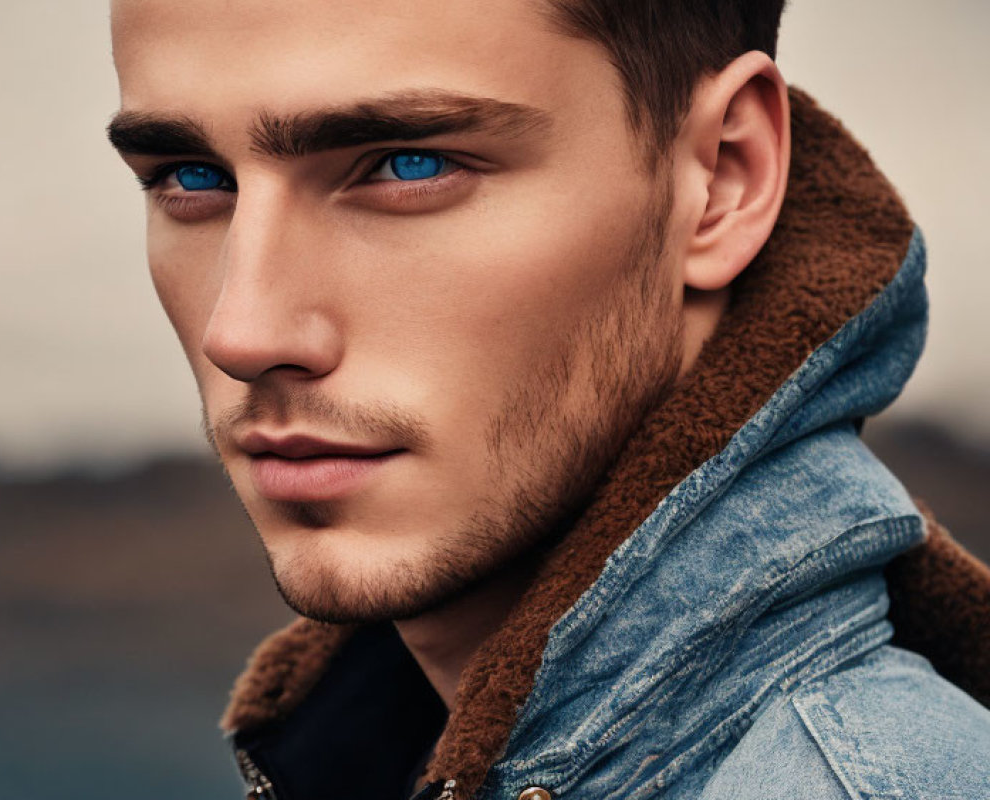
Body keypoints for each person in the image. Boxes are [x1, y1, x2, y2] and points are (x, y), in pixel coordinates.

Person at [106, 1, 990, 798]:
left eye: (406, 164)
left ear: (722, 180)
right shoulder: (365, 736)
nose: (243, 332)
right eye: (187, 177)